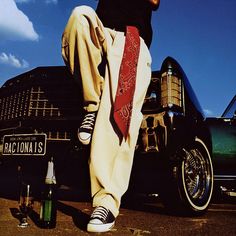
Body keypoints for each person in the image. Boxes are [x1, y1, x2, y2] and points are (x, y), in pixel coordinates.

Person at [61, 0, 160, 233]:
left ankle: (106, 200)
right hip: (102, 30)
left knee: (119, 113)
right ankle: (92, 106)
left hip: (131, 37)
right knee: (80, 17)